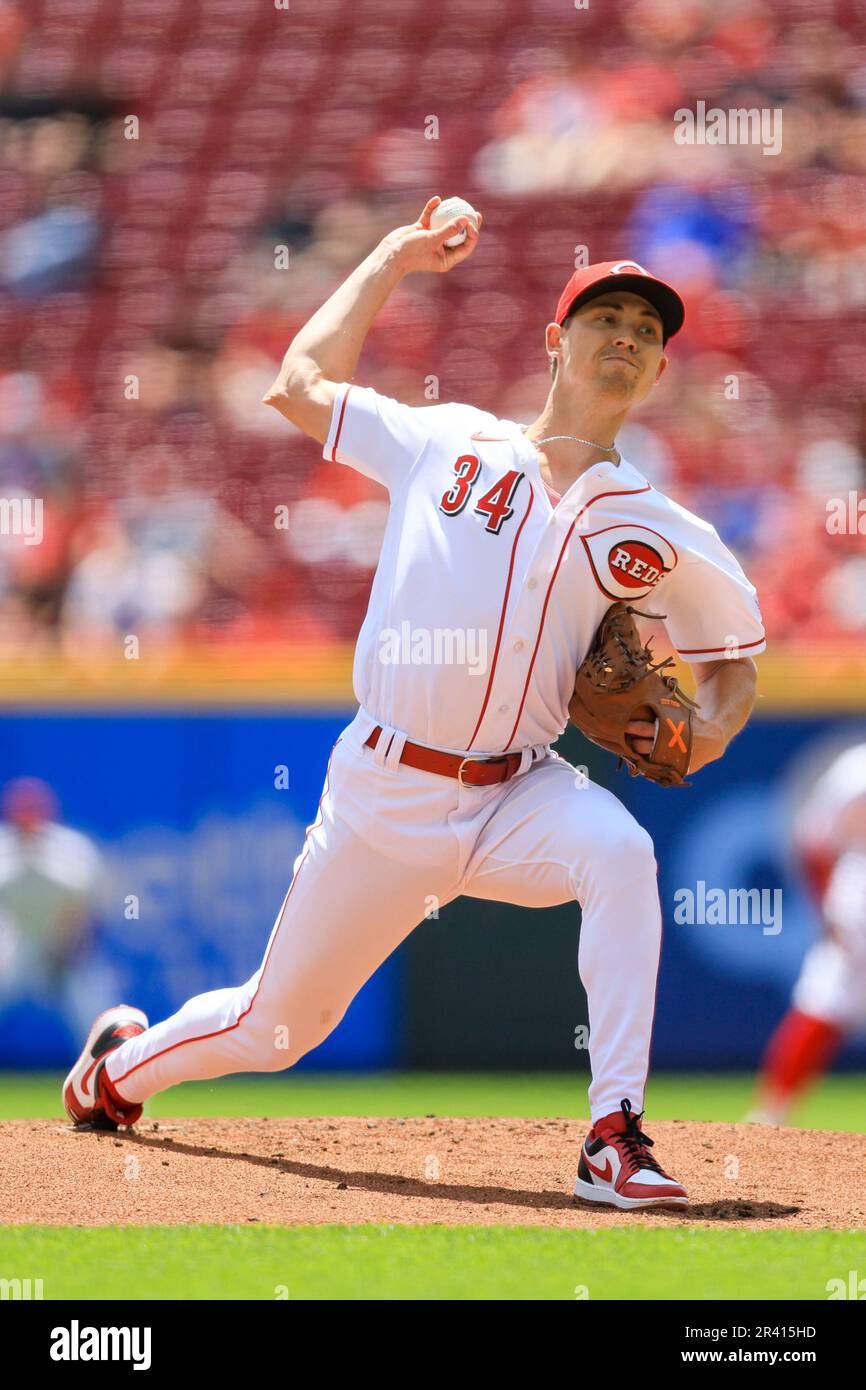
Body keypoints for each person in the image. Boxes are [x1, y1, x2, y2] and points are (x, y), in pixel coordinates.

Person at [64, 197, 764, 1212]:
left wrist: (707, 733)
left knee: (619, 852)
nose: (625, 338)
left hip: (517, 793)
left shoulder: (660, 529)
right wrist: (392, 255)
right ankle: (114, 1073)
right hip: (385, 794)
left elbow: (734, 656)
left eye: (645, 332)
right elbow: (297, 385)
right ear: (554, 341)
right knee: (274, 1030)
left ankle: (612, 1134)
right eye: (604, 319)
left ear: (656, 372)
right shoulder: (446, 441)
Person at [748, 742, 866, 1125]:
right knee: (825, 1001)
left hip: (853, 894)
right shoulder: (855, 769)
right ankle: (772, 1111)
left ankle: (771, 1113)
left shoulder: (854, 766)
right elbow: (814, 843)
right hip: (858, 890)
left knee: (825, 1000)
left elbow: (812, 843)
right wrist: (827, 909)